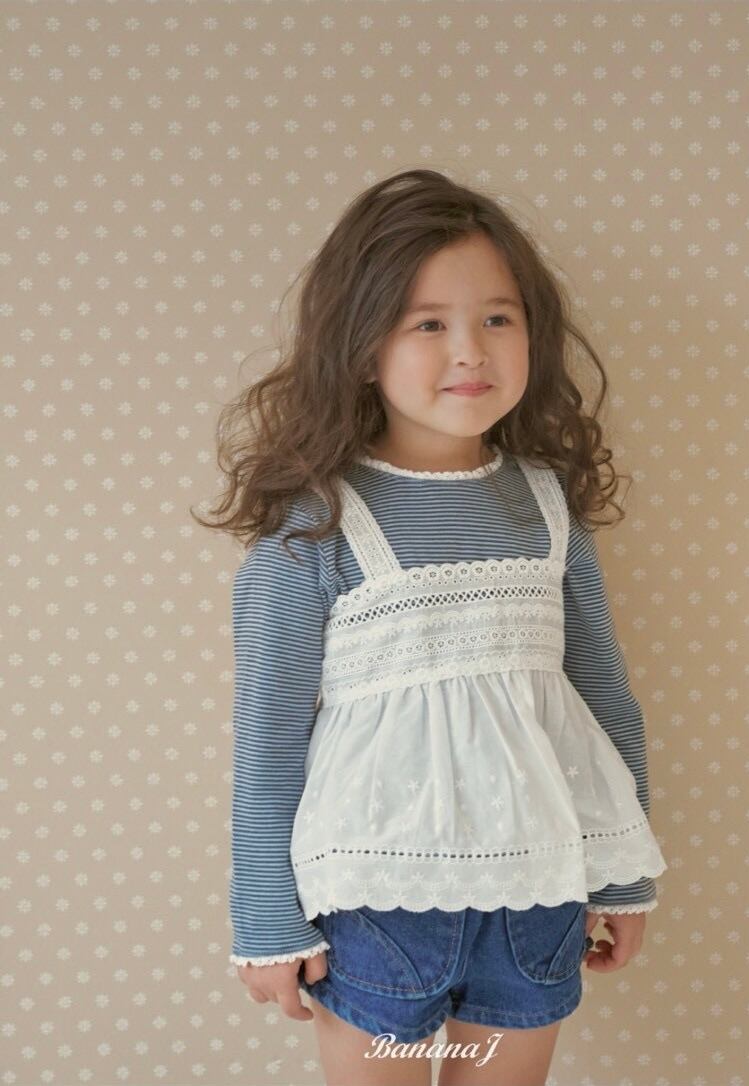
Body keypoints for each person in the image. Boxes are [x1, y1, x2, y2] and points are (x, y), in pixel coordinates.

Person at [195, 168, 667, 1086]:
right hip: (378, 900)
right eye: (427, 324)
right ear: (360, 345)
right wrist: (265, 919)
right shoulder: (316, 527)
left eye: (497, 318)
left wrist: (624, 875)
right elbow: (269, 738)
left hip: (537, 892)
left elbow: (604, 698)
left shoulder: (547, 510)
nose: (469, 351)